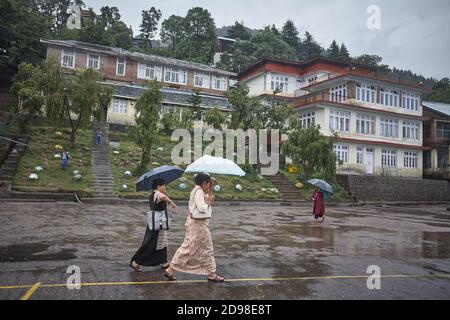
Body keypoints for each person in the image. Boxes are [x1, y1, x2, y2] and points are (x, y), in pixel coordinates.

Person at [164, 173, 224, 282]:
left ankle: (171, 269)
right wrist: (209, 202)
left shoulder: (196, 191)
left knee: (190, 247)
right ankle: (211, 273)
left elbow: (204, 200)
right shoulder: (199, 192)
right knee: (205, 248)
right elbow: (202, 208)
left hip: (196, 223)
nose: (209, 185)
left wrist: (210, 191)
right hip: (199, 225)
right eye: (208, 183)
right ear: (204, 183)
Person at [130, 179, 177, 272]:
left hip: (157, 221)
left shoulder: (155, 194)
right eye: (163, 185)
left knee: (162, 242)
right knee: (151, 243)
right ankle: (136, 261)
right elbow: (163, 197)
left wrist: (166, 195)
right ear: (158, 187)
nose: (165, 187)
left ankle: (164, 261)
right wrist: (171, 202)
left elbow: (163, 196)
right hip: (157, 222)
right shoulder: (157, 194)